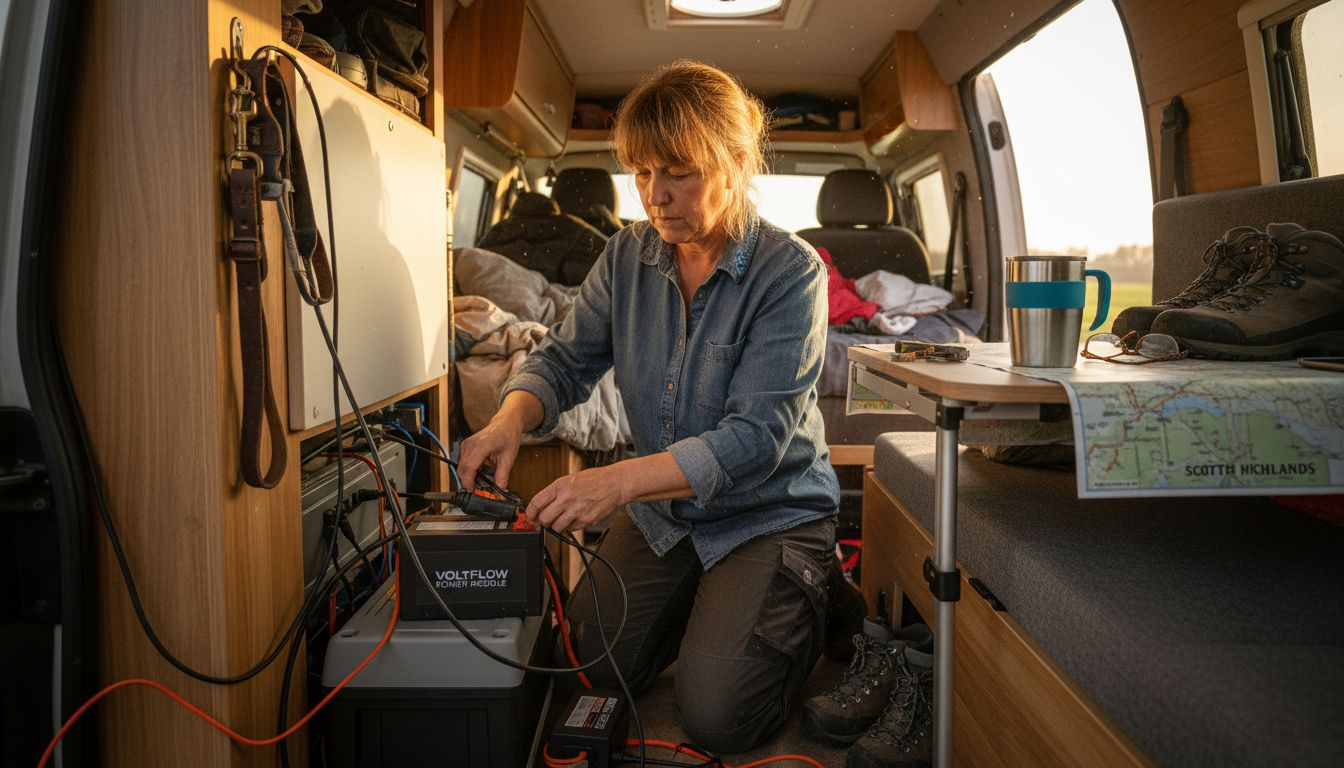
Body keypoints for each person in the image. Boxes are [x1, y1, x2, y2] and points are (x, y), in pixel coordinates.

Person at [457, 60, 842, 753]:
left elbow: (756, 439)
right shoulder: (625, 254)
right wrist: (506, 421)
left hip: (767, 514)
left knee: (719, 719)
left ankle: (810, 600)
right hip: (669, 513)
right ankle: (715, 609)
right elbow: (566, 359)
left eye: (677, 173)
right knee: (585, 669)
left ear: (734, 162)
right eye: (639, 173)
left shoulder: (792, 273)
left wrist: (615, 482)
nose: (653, 197)